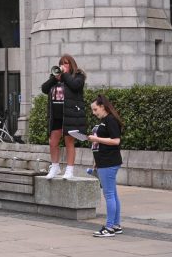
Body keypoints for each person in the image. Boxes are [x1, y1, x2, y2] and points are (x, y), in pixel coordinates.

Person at [41, 54, 86, 179]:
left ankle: (69, 170)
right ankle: (55, 167)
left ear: (71, 64)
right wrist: (55, 78)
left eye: (66, 63)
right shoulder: (57, 77)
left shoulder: (78, 76)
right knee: (53, 142)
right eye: (62, 63)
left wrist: (65, 75)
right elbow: (44, 89)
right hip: (56, 115)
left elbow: (75, 86)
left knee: (69, 142)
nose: (63, 65)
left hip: (70, 115)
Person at [88, 95, 124, 237]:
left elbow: (116, 141)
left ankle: (109, 227)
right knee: (112, 194)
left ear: (103, 106)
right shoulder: (106, 120)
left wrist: (96, 139)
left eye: (95, 109)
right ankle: (115, 225)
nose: (94, 112)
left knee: (109, 195)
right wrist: (97, 161)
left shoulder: (110, 120)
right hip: (104, 161)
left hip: (109, 162)